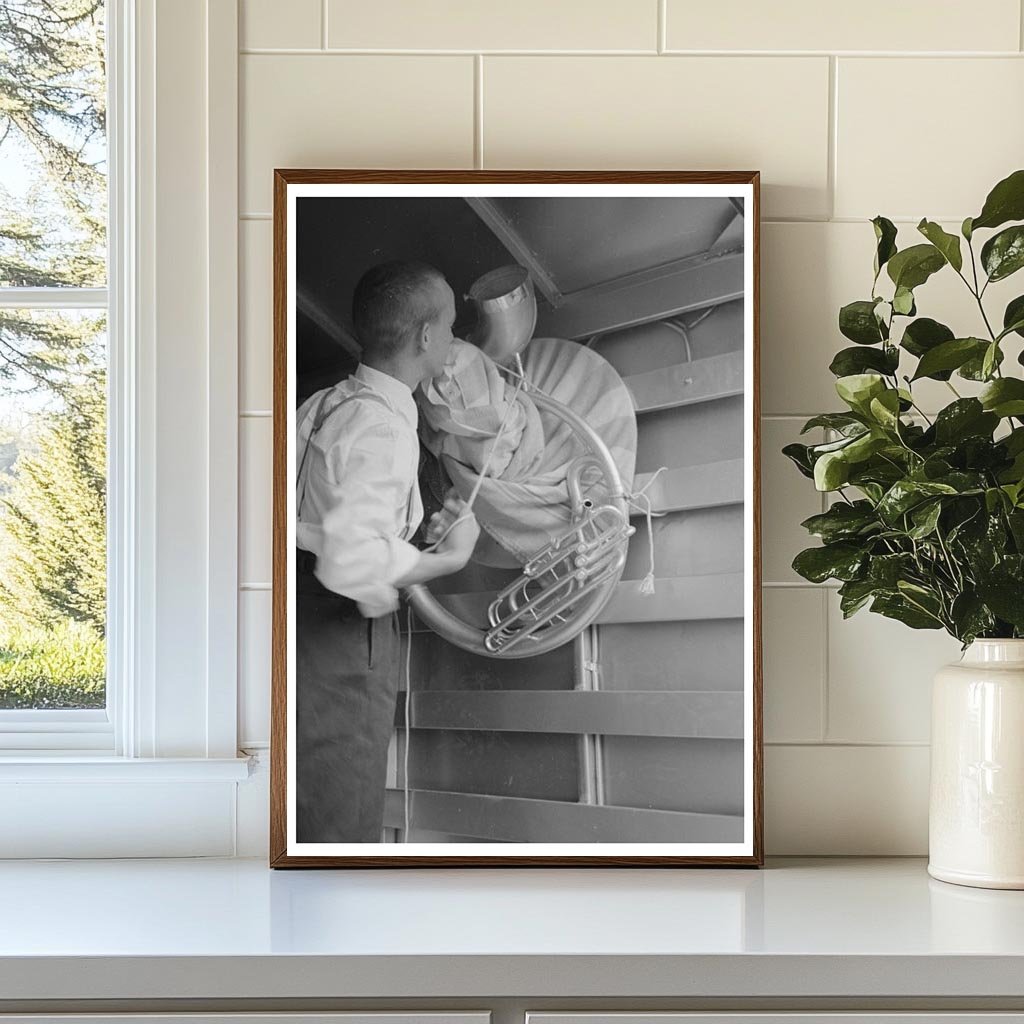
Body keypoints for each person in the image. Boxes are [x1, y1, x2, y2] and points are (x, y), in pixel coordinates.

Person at [294, 261, 480, 843]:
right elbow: (351, 560)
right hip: (341, 631)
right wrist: (445, 561)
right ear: (426, 338)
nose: (453, 339)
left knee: (309, 804)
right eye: (450, 327)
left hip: (299, 621)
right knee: (339, 818)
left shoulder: (328, 403)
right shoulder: (385, 428)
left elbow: (318, 523)